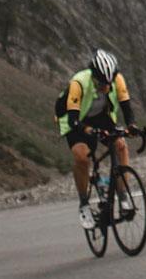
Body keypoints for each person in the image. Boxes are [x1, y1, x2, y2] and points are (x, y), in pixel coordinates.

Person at [59, 48, 137, 230]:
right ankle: (84, 204)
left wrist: (132, 126)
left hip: (100, 116)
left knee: (120, 145)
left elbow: (127, 107)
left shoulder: (116, 79)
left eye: (109, 83)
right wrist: (89, 130)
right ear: (93, 76)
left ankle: (123, 196)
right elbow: (73, 119)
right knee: (82, 157)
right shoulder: (79, 82)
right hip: (74, 118)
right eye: (102, 83)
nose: (106, 88)